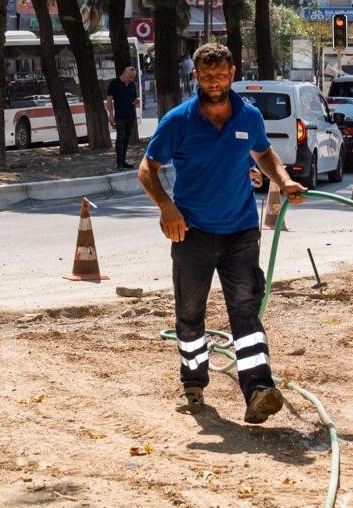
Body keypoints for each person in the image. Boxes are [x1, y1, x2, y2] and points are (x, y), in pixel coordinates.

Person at [137, 42, 307, 424]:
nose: (214, 81)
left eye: (221, 74)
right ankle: (193, 384)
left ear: (233, 74)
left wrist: (283, 180)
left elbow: (264, 154)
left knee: (245, 312)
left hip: (240, 231)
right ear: (196, 77)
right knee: (190, 312)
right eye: (207, 75)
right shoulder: (178, 121)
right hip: (192, 232)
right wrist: (167, 207)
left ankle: (259, 390)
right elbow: (148, 168)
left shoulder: (248, 118)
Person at [106, 65, 142, 170]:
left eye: (133, 78)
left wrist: (137, 100)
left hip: (131, 115)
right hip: (120, 116)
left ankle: (124, 160)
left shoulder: (131, 84)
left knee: (126, 140)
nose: (131, 79)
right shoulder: (114, 83)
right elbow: (109, 100)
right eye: (130, 77)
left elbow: (135, 97)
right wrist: (111, 115)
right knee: (120, 139)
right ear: (125, 73)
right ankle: (119, 162)